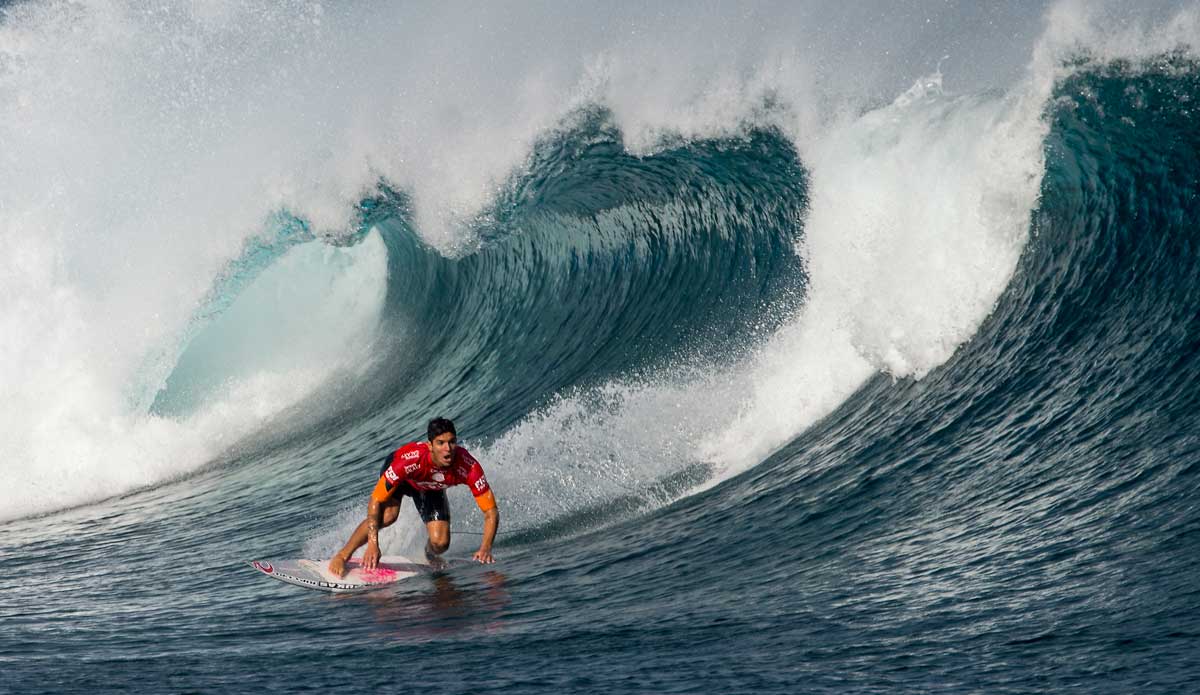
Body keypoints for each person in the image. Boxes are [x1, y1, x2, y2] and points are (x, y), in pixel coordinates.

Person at [328, 418, 499, 577]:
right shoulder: (410, 460)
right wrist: (373, 544)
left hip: (429, 487)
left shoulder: (468, 466)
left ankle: (429, 555)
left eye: (452, 442)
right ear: (430, 445)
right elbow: (376, 500)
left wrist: (485, 547)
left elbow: (491, 511)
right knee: (388, 516)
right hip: (403, 479)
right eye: (440, 443)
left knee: (440, 543)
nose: (448, 449)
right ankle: (342, 555)